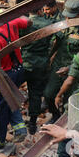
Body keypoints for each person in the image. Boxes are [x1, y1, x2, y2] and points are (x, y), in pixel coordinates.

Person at [0, 9, 33, 148]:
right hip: (19, 70)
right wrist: (13, 13)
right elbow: (28, 21)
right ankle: (19, 128)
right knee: (10, 99)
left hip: (5, 75)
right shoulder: (12, 21)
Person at [44, 0, 79, 124]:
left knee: (68, 100)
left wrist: (69, 68)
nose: (68, 19)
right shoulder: (63, 25)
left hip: (72, 71)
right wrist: (49, 59)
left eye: (71, 17)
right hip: (57, 67)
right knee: (48, 94)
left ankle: (65, 122)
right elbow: (56, 44)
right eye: (67, 16)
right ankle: (55, 115)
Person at [19, 7, 53, 135]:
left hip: (24, 62)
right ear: (40, 11)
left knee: (11, 89)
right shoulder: (48, 24)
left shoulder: (23, 23)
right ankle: (32, 123)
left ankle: (13, 119)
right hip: (40, 64)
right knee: (36, 94)